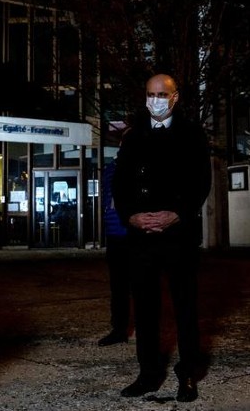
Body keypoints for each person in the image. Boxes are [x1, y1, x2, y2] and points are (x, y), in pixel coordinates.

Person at [112, 73, 211, 403]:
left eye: (161, 94)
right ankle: (148, 373)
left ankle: (188, 374)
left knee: (184, 307)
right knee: (145, 308)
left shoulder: (192, 134)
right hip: (140, 235)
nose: (155, 99)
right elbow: (119, 183)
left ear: (175, 97)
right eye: (150, 93)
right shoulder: (133, 136)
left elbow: (201, 182)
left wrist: (176, 213)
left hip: (178, 234)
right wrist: (131, 216)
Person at [97, 136, 132, 347]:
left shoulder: (136, 166)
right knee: (118, 286)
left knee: (137, 285)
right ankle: (119, 328)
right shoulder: (111, 168)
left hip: (132, 233)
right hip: (116, 234)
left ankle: (127, 328)